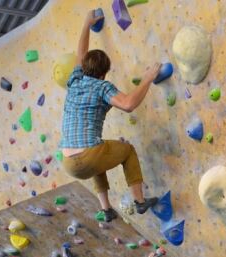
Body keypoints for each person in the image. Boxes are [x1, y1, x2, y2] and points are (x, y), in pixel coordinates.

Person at [59, 10, 161, 222]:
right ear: (104, 74)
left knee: (99, 151)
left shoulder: (75, 80)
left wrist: (86, 24)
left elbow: (80, 53)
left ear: (84, 67)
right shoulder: (102, 87)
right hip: (89, 155)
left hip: (68, 162)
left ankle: (106, 210)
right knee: (127, 151)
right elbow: (128, 104)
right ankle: (139, 201)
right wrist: (148, 78)